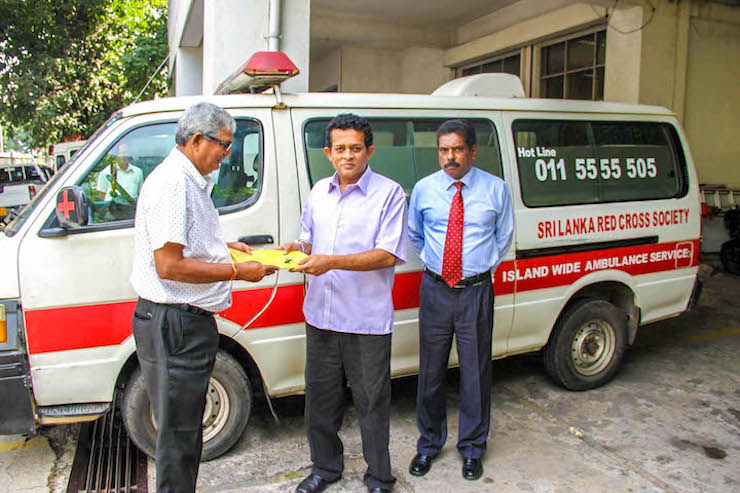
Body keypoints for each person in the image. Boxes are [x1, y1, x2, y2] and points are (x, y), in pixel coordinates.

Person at [130, 102, 277, 493]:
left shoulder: (189, 180)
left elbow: (185, 243)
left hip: (180, 322)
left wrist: (224, 249)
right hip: (176, 323)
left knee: (184, 431)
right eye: (223, 145)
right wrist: (236, 271)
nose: (226, 154)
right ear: (197, 140)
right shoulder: (174, 184)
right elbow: (169, 265)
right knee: (178, 437)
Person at [280, 113, 408, 493]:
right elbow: (309, 239)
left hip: (365, 320)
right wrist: (296, 247)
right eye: (340, 149)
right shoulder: (319, 192)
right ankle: (325, 468)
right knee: (320, 401)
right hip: (321, 316)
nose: (347, 155)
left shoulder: (389, 194)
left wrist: (331, 262)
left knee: (372, 403)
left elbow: (387, 254)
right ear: (328, 153)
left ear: (369, 151)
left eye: (355, 148)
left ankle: (379, 476)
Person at [407, 119, 514, 481]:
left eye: (457, 149)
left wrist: (476, 269)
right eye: (443, 150)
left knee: (475, 374)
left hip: (476, 293)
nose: (449, 157)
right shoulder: (424, 189)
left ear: (472, 151)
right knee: (431, 372)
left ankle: (472, 448)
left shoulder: (496, 189)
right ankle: (429, 444)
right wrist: (438, 265)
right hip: (435, 290)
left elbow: (503, 237)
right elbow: (415, 234)